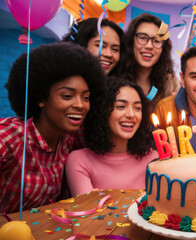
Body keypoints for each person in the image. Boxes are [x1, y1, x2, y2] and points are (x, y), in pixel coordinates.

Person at [0, 42, 105, 213]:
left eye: (86, 98)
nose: (80, 105)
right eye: (67, 96)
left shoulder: (70, 140)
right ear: (41, 98)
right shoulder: (11, 136)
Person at [66, 78, 157, 196]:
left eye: (137, 108)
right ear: (103, 111)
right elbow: (88, 211)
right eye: (121, 106)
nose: (131, 114)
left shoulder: (153, 158)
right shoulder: (79, 160)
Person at [121, 13, 179, 110]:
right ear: (131, 42)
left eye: (156, 40)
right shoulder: (116, 78)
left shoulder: (170, 83)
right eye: (143, 38)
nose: (149, 46)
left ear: (163, 48)